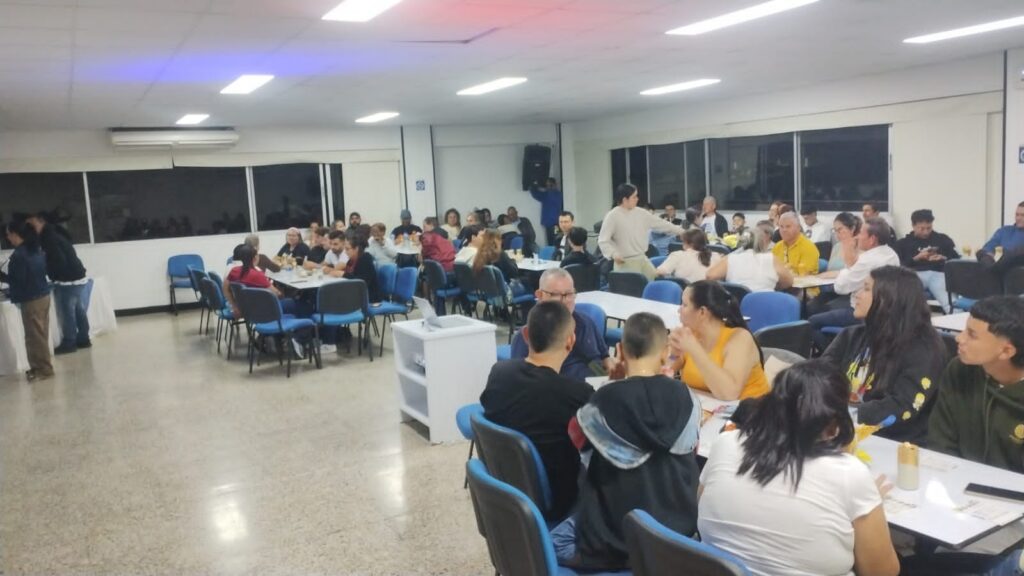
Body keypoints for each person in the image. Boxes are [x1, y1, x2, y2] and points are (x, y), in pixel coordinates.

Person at [698, 360, 900, 576]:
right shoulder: (849, 474)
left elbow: (701, 503)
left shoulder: (727, 443)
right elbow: (882, 572)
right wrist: (868, 502)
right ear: (834, 424)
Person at [551, 312, 702, 572]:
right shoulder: (687, 399)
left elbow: (577, 438)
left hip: (614, 536)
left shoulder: (602, 402)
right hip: (676, 536)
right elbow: (693, 452)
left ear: (620, 350)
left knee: (554, 542)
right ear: (665, 353)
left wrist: (611, 384)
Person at [483, 301, 595, 521]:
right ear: (570, 341)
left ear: (525, 335)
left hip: (504, 486)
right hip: (558, 500)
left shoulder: (499, 372)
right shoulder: (576, 393)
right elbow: (600, 441)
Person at [821, 266, 946, 443]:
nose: (857, 294)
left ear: (889, 299)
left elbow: (902, 405)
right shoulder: (850, 336)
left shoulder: (924, 349)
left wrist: (845, 414)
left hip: (895, 443)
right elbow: (820, 378)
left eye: (866, 289)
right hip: (842, 433)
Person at [930, 296, 1024, 474]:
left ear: (1006, 351)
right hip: (956, 479)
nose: (959, 338)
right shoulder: (960, 370)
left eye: (972, 335)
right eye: (965, 330)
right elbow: (940, 441)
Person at [510, 268, 618, 381]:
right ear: (540, 295)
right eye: (556, 294)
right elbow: (522, 380)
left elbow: (605, 357)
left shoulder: (586, 323)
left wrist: (612, 371)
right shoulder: (529, 336)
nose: (564, 301)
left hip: (597, 384)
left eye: (569, 294)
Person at [669, 280, 770, 401]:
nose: (679, 310)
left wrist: (694, 349)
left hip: (750, 409)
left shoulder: (740, 338)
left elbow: (729, 394)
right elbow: (662, 376)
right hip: (706, 408)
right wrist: (673, 354)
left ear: (702, 312)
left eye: (684, 305)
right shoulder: (690, 335)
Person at [810, 218, 900, 343]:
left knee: (812, 322)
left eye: (861, 233)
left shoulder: (867, 260)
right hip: (884, 312)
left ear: (872, 239)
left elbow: (841, 287)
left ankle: (834, 353)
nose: (857, 236)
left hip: (862, 312)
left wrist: (847, 261)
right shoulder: (891, 253)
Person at [26, 213, 89, 354]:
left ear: (41, 222)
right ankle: (84, 339)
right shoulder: (56, 232)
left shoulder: (48, 238)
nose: (30, 228)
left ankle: (70, 342)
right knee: (78, 310)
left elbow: (58, 260)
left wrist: (51, 274)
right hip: (78, 276)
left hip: (67, 280)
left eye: (32, 224)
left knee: (67, 313)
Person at [598, 183, 685, 280]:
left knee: (656, 281)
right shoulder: (612, 216)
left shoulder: (641, 213)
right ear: (625, 200)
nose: (637, 199)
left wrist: (681, 231)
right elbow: (603, 240)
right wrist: (613, 254)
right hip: (624, 262)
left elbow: (661, 224)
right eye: (634, 197)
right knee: (633, 288)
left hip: (642, 258)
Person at [0, 221, 53, 381]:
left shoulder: (19, 255)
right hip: (41, 295)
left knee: (35, 337)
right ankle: (37, 367)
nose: (8, 238)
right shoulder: (34, 249)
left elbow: (18, 280)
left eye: (9, 234)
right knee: (37, 335)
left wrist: (3, 277)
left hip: (31, 300)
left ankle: (44, 370)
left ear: (16, 234)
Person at [895, 209, 959, 314]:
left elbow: (955, 259)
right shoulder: (903, 244)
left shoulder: (942, 239)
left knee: (949, 303)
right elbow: (898, 266)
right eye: (922, 228)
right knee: (905, 296)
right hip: (914, 275)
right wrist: (916, 258)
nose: (926, 232)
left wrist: (943, 258)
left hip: (938, 274)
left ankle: (957, 317)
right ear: (913, 226)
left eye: (929, 228)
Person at [706, 221, 793, 292]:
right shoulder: (771, 258)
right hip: (766, 303)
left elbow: (710, 276)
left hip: (738, 305)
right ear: (761, 242)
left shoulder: (731, 258)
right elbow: (789, 281)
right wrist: (774, 286)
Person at [224, 245, 300, 317]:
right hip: (263, 309)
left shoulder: (234, 271)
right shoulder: (257, 274)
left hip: (244, 308)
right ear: (255, 258)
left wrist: (234, 306)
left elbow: (225, 289)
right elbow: (276, 294)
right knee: (291, 302)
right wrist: (281, 292)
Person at [656, 228, 722, 283]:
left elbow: (659, 272)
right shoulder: (717, 256)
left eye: (683, 241)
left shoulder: (677, 255)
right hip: (709, 294)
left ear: (688, 243)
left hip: (684, 293)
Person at [978, 201, 1024, 271]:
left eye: (1023, 215)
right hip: (997, 270)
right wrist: (987, 255)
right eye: (1017, 215)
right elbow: (988, 247)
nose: (1018, 218)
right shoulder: (1004, 231)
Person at [772, 212, 821, 276]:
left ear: (798, 228)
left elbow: (804, 276)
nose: (784, 230)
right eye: (781, 227)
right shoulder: (777, 247)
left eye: (788, 226)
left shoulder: (808, 248)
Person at [339, 230, 381, 303]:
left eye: (347, 249)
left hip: (368, 296)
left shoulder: (365, 259)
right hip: (355, 293)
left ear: (356, 249)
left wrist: (343, 274)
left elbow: (362, 282)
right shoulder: (351, 260)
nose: (345, 252)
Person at [529, 177, 564, 246]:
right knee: (555, 242)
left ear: (553, 185)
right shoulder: (557, 194)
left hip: (552, 223)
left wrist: (534, 186)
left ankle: (555, 253)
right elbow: (538, 194)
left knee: (553, 243)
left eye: (549, 185)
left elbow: (537, 194)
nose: (547, 187)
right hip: (554, 223)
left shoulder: (550, 194)